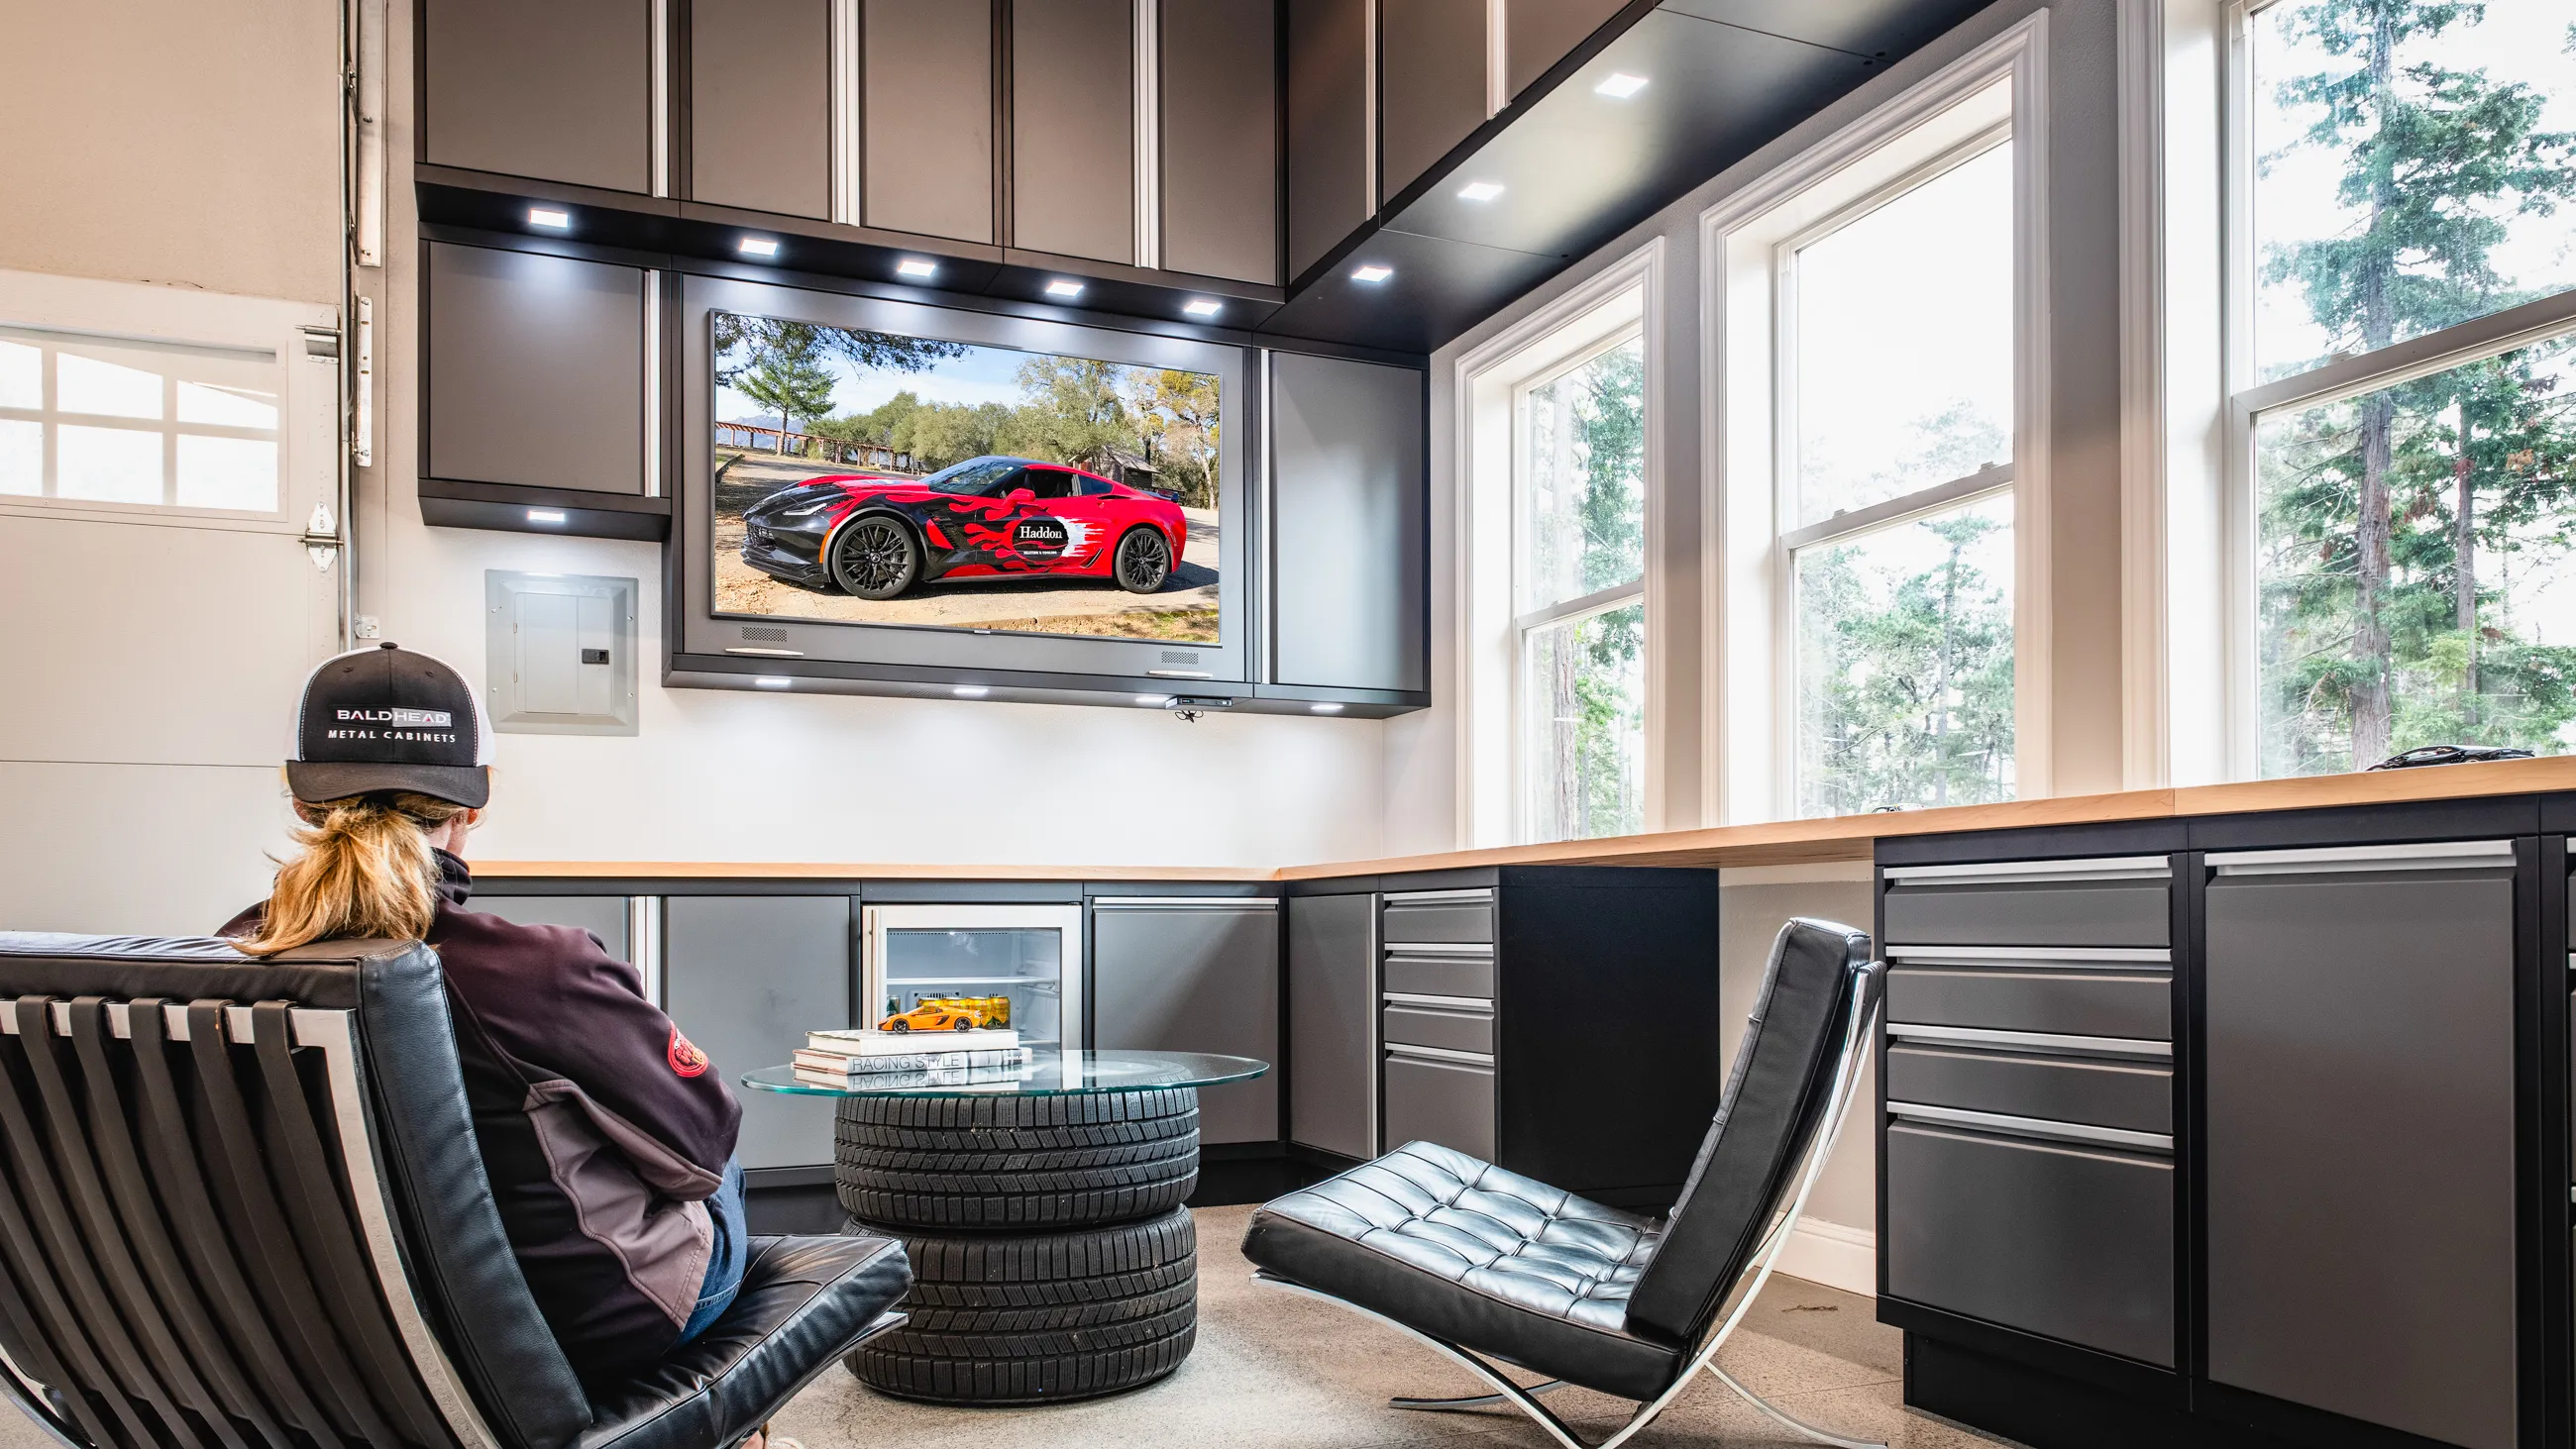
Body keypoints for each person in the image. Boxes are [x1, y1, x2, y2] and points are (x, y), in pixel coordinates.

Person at [222, 645, 780, 1442]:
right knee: (720, 1165)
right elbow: (701, 1144)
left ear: (305, 801)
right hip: (572, 1338)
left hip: (319, 1337)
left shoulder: (233, 958)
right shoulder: (539, 968)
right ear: (470, 806)